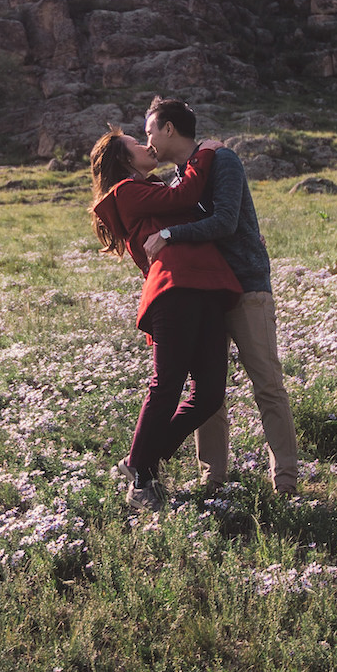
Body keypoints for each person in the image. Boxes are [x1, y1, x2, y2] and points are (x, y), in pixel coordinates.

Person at [140, 95, 300, 496]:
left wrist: (171, 235)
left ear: (169, 129)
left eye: (150, 132)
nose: (148, 144)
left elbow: (226, 221)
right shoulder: (180, 179)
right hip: (204, 295)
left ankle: (286, 479)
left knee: (266, 381)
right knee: (208, 392)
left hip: (245, 285)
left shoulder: (222, 161)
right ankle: (212, 479)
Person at [88, 128, 241, 509]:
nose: (147, 145)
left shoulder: (151, 188)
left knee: (209, 394)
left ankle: (140, 461)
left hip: (205, 287)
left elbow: (199, 209)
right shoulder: (127, 191)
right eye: (137, 145)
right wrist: (204, 152)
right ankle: (141, 477)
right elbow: (186, 194)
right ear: (123, 160)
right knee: (167, 385)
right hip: (172, 292)